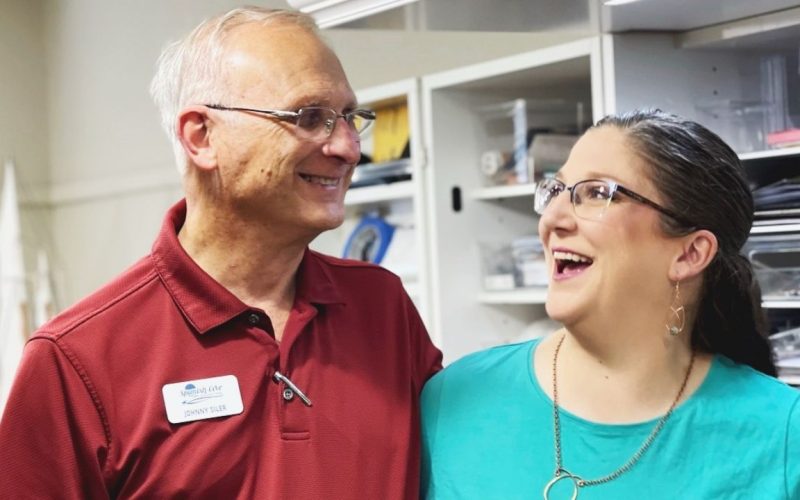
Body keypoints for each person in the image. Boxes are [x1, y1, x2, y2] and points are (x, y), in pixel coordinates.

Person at [0, 7, 441, 499]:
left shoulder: (382, 306)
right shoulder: (75, 361)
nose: (348, 148)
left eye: (349, 119)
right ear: (201, 137)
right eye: (310, 117)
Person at [421, 109, 800, 499]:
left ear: (690, 254)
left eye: (598, 193)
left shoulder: (784, 435)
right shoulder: (452, 400)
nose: (552, 218)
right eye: (556, 191)